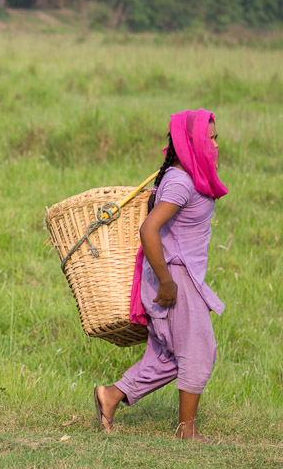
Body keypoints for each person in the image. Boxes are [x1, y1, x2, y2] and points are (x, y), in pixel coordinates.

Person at [93, 109, 227, 440]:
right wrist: (166, 282)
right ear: (192, 143)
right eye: (209, 138)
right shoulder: (181, 182)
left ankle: (110, 395)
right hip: (176, 279)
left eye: (216, 138)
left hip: (178, 276)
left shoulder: (182, 176)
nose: (216, 144)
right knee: (198, 348)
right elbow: (149, 229)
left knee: (167, 357)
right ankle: (187, 431)